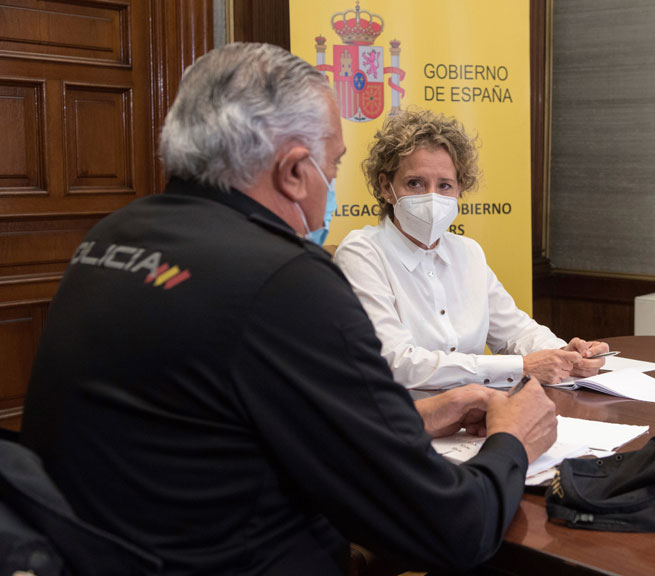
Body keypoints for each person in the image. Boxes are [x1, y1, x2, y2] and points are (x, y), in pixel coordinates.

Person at [19, 42, 558, 575]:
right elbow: (452, 527)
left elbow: (235, 422)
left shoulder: (113, 235)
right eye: (334, 166)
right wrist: (513, 441)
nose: (330, 189)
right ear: (296, 171)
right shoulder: (285, 279)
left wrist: (424, 416)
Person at [333, 109, 609, 390]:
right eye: (415, 183)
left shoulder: (468, 252)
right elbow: (396, 362)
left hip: (480, 409)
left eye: (445, 185)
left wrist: (564, 354)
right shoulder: (362, 253)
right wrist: (523, 367)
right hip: (406, 414)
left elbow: (515, 331)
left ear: (460, 190)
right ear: (386, 187)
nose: (431, 197)